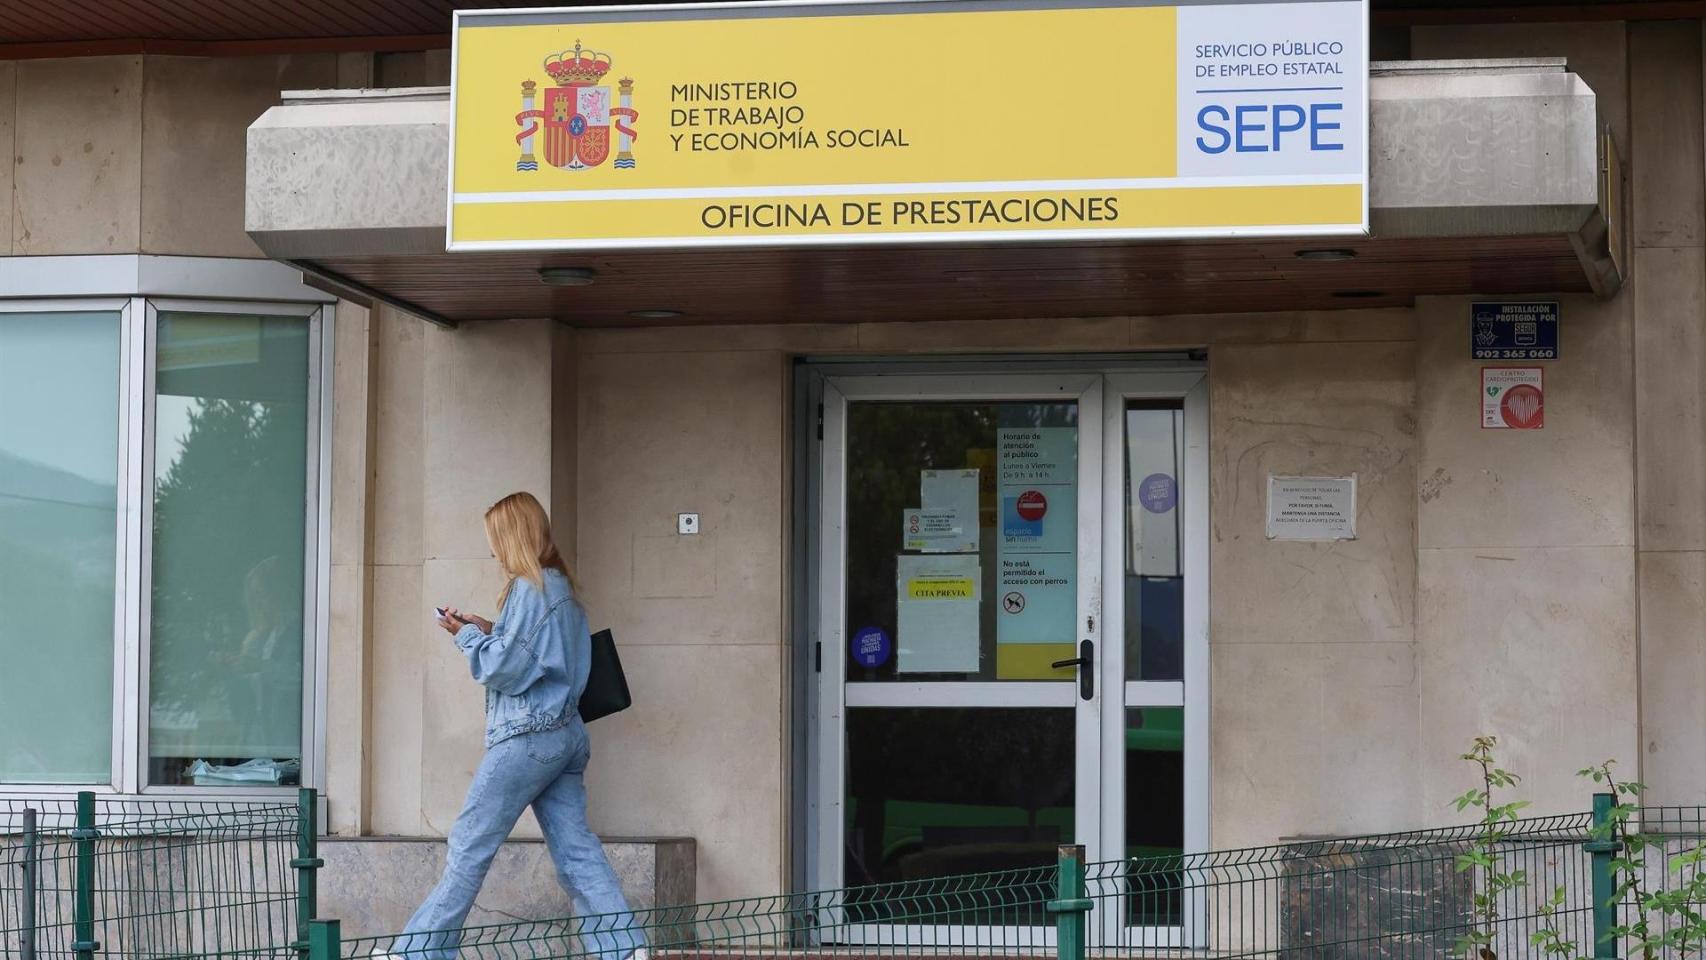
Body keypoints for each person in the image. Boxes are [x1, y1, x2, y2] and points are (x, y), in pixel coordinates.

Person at [384, 492, 646, 960]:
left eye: (496, 540)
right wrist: (489, 627)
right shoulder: (563, 590)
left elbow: (510, 668)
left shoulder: (531, 588)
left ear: (513, 537)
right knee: (576, 851)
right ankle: (625, 951)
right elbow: (536, 652)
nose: (493, 551)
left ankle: (417, 952)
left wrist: (464, 636)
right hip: (566, 737)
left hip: (528, 739)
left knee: (469, 843)